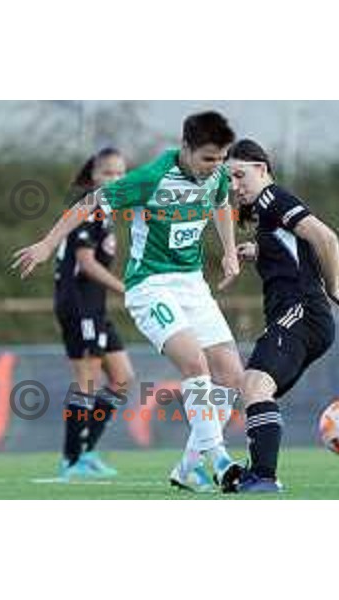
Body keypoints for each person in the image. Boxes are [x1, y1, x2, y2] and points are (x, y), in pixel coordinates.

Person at [13, 112, 244, 492]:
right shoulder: (150, 178)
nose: (215, 168)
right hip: (150, 286)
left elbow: (221, 204)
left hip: (193, 286)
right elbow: (89, 204)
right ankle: (219, 460)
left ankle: (187, 468)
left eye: (221, 160)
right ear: (185, 148)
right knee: (194, 363)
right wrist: (47, 243)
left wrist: (230, 252)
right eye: (207, 159)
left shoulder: (216, 175)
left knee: (232, 376)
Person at [226, 139, 339, 493]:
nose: (234, 186)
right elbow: (296, 247)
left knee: (254, 384)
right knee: (255, 389)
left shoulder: (272, 198)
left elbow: (326, 239)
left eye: (240, 175)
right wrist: (259, 249)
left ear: (262, 169)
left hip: (301, 312)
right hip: (302, 316)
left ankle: (264, 478)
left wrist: (335, 289)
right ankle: (258, 472)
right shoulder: (267, 214)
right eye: (229, 180)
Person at [54, 147, 134, 481]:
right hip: (78, 304)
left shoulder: (107, 211)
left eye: (120, 173)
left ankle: (87, 452)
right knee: (88, 379)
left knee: (122, 378)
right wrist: (125, 288)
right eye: (107, 173)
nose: (114, 179)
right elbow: (85, 264)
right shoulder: (89, 209)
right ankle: (72, 459)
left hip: (96, 307)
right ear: (93, 177)